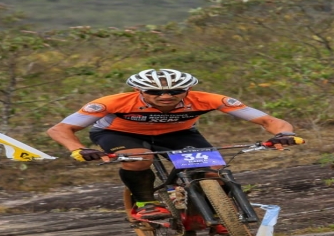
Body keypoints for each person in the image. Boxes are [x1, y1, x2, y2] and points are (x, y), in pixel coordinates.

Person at [47, 68, 302, 221]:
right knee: (139, 158)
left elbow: (269, 120)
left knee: (212, 172)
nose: (166, 96)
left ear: (187, 90)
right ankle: (146, 204)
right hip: (119, 134)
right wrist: (78, 149)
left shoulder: (210, 99)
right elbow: (61, 129)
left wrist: (283, 134)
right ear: (140, 91)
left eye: (176, 91)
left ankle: (220, 212)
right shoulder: (111, 103)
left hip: (177, 134)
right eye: (155, 93)